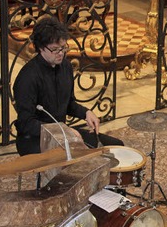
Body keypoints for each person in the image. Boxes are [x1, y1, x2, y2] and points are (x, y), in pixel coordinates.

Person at [13, 16, 123, 156]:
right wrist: (63, 132)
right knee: (80, 160)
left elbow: (68, 103)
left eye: (63, 48)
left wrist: (86, 113)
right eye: (55, 49)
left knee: (116, 147)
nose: (61, 53)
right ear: (40, 47)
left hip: (62, 134)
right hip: (34, 140)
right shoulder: (27, 78)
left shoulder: (65, 66)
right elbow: (26, 123)